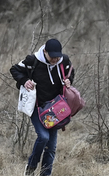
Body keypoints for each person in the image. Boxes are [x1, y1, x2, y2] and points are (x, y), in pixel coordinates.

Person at [10, 38, 75, 176]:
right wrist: (25, 80)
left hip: (56, 108)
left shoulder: (64, 61)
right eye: (52, 57)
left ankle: (46, 174)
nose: (55, 59)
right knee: (43, 137)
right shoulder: (32, 60)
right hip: (37, 107)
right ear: (45, 52)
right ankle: (31, 167)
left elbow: (70, 72)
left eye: (57, 56)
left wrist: (69, 81)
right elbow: (14, 69)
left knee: (51, 148)